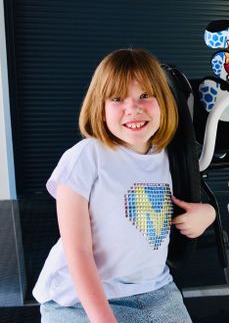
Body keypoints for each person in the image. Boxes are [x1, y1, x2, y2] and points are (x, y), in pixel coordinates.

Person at [33, 48, 216, 323]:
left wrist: (209, 214)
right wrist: (102, 318)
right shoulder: (86, 157)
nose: (133, 108)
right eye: (117, 99)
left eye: (145, 95)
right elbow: (77, 251)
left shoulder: (171, 156)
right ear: (100, 108)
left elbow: (192, 200)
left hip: (154, 289)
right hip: (76, 299)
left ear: (164, 101)